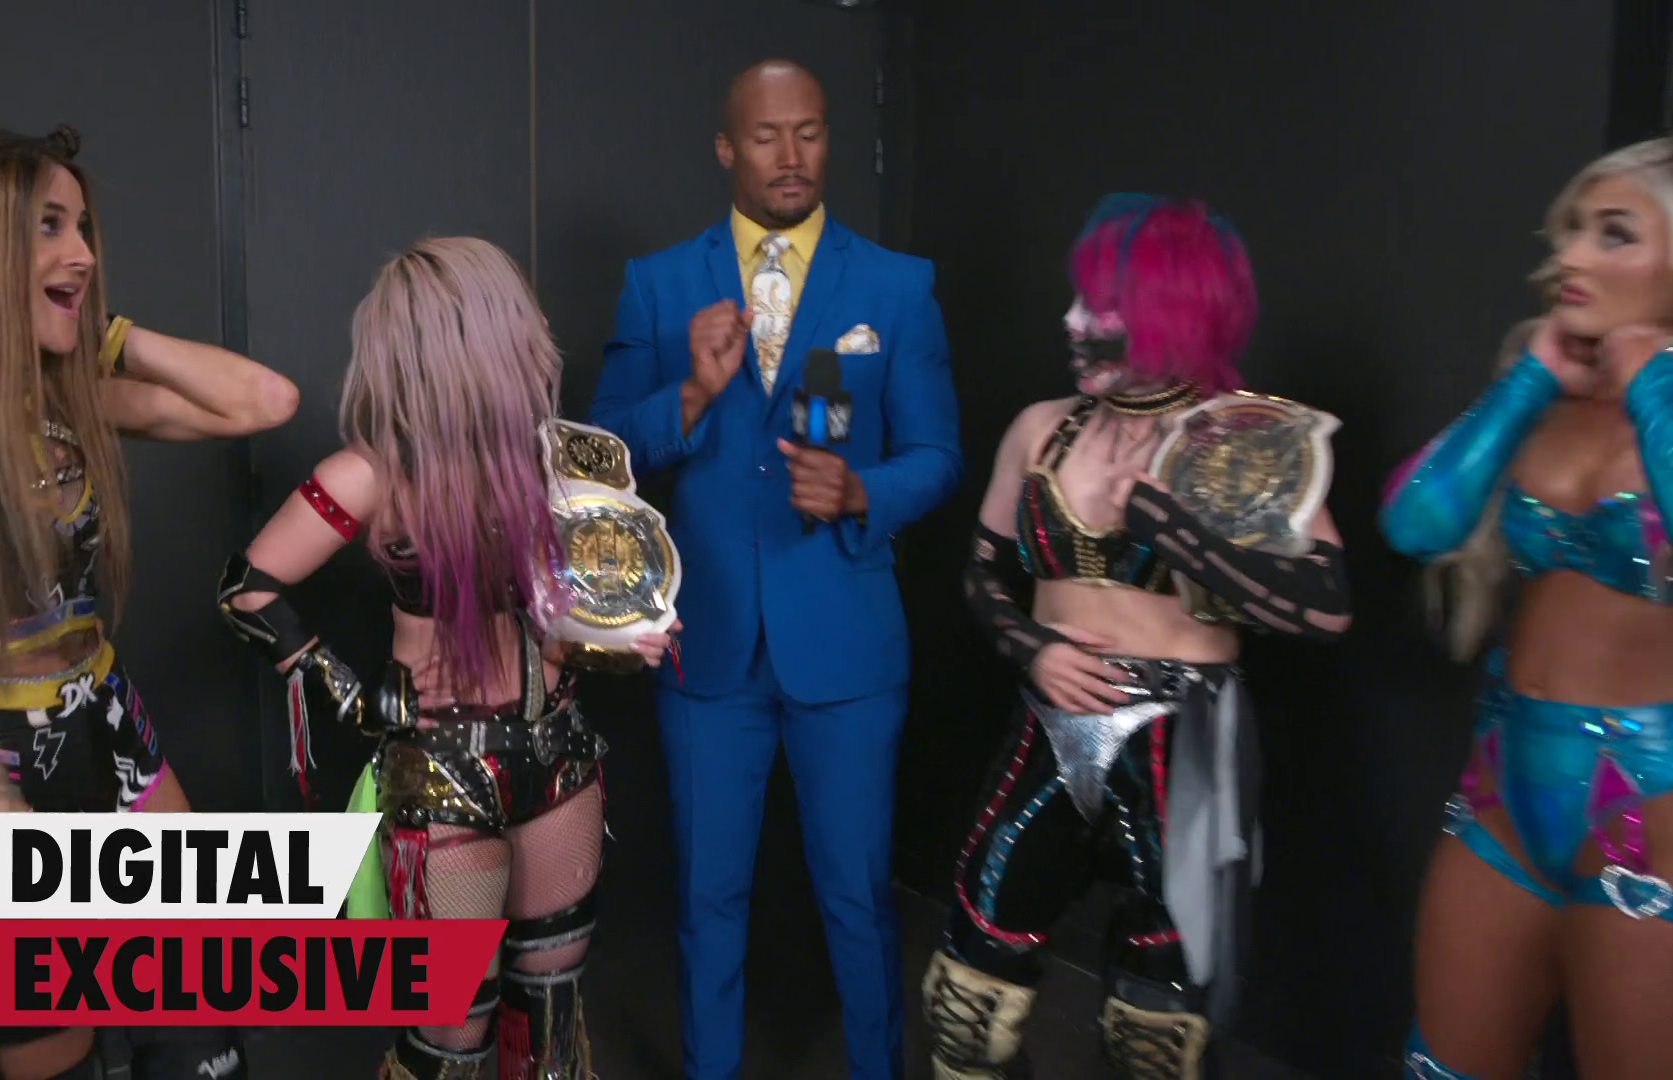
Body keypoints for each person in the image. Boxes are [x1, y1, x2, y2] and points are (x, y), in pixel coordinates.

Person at [0, 97, 297, 1080]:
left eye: (82, 227)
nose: (81, 252)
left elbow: (265, 400)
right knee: (60, 1051)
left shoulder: (64, 396)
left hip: (106, 732)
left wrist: (99, 331)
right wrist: (35, 868)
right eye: (46, 227)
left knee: (199, 1027)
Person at [216, 236, 676, 1080]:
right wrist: (356, 697)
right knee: (449, 1041)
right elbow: (247, 588)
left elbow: (570, 616)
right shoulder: (370, 475)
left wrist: (622, 637)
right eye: (519, 314)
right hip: (442, 774)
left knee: (550, 1029)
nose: (541, 330)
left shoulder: (554, 461)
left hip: (558, 758)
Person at [585, 58, 962, 1080]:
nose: (792, 154)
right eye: (766, 135)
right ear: (726, 149)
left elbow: (937, 455)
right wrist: (692, 395)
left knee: (858, 898)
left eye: (810, 131)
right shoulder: (661, 285)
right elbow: (599, 454)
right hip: (708, 650)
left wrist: (861, 491)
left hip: (848, 649)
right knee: (708, 899)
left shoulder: (896, 286)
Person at [921, 195, 1351, 1080]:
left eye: (1098, 306)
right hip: (1050, 726)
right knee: (966, 1003)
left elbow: (1326, 605)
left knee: (1157, 1034)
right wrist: (1035, 648)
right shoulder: (1043, 428)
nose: (1071, 321)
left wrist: (1171, 525)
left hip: (1180, 747)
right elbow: (982, 573)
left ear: (1169, 315)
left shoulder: (1242, 442)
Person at [1381, 137, 1673, 1079]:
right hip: (1505, 780)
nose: (1571, 256)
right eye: (1573, 231)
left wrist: (1652, 379)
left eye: (1614, 234)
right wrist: (1531, 377)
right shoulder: (1549, 389)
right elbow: (1415, 523)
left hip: (1652, 799)